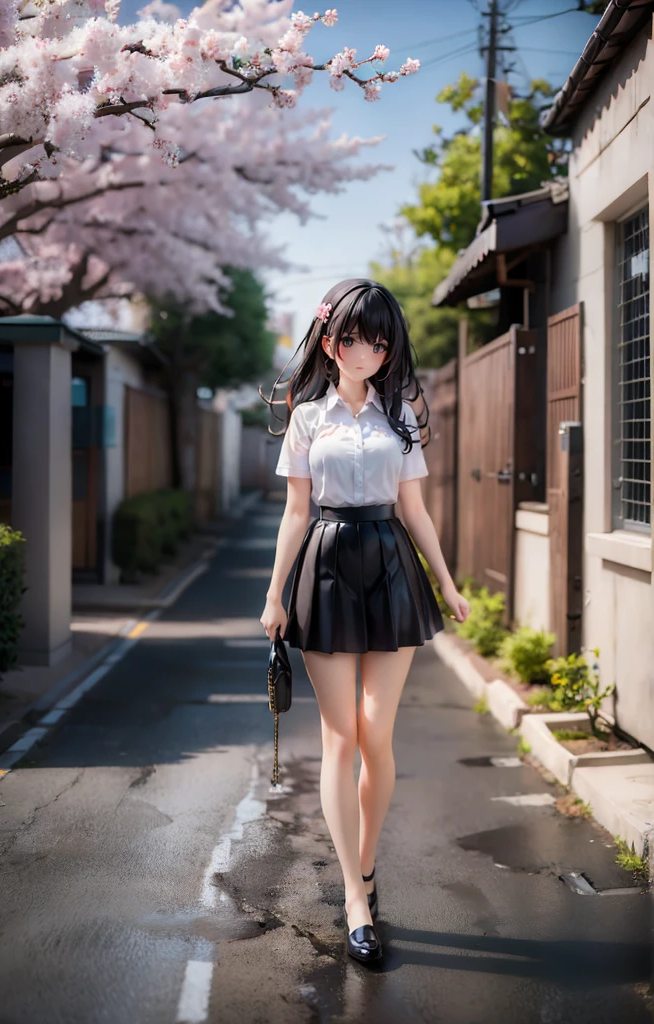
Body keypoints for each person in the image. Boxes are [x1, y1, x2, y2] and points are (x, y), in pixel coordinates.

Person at [259, 279, 470, 966]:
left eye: (379, 340)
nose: (367, 350)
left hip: (388, 563)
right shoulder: (308, 417)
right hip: (322, 563)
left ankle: (368, 864)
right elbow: (296, 510)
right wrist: (274, 593)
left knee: (376, 732)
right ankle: (355, 896)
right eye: (354, 338)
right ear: (329, 342)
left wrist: (445, 579)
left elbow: (415, 508)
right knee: (340, 736)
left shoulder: (400, 412)